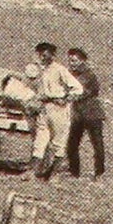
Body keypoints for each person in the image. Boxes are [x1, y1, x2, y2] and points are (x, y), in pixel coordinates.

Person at [31, 42, 82, 181]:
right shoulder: (41, 70)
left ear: (52, 55)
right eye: (40, 53)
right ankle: (32, 172)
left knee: (58, 142)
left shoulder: (60, 70)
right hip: (45, 107)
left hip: (58, 108)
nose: (42, 56)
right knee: (40, 140)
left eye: (45, 53)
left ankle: (55, 174)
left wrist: (66, 99)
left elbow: (77, 88)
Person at [64, 47, 105, 179]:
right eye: (70, 60)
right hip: (78, 115)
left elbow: (81, 92)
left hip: (92, 114)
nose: (72, 63)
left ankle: (99, 172)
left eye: (75, 60)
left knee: (97, 144)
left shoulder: (88, 75)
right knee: (72, 144)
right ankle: (74, 171)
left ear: (82, 61)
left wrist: (67, 95)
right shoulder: (70, 74)